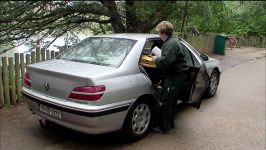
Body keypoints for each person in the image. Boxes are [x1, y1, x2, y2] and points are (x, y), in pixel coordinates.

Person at [151, 21, 189, 133]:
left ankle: (164, 127)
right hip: (177, 75)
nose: (159, 35)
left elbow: (165, 62)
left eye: (159, 33)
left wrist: (155, 59)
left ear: (163, 33)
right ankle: (171, 123)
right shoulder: (173, 41)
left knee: (167, 101)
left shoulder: (171, 44)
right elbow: (168, 57)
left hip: (175, 76)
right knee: (172, 101)